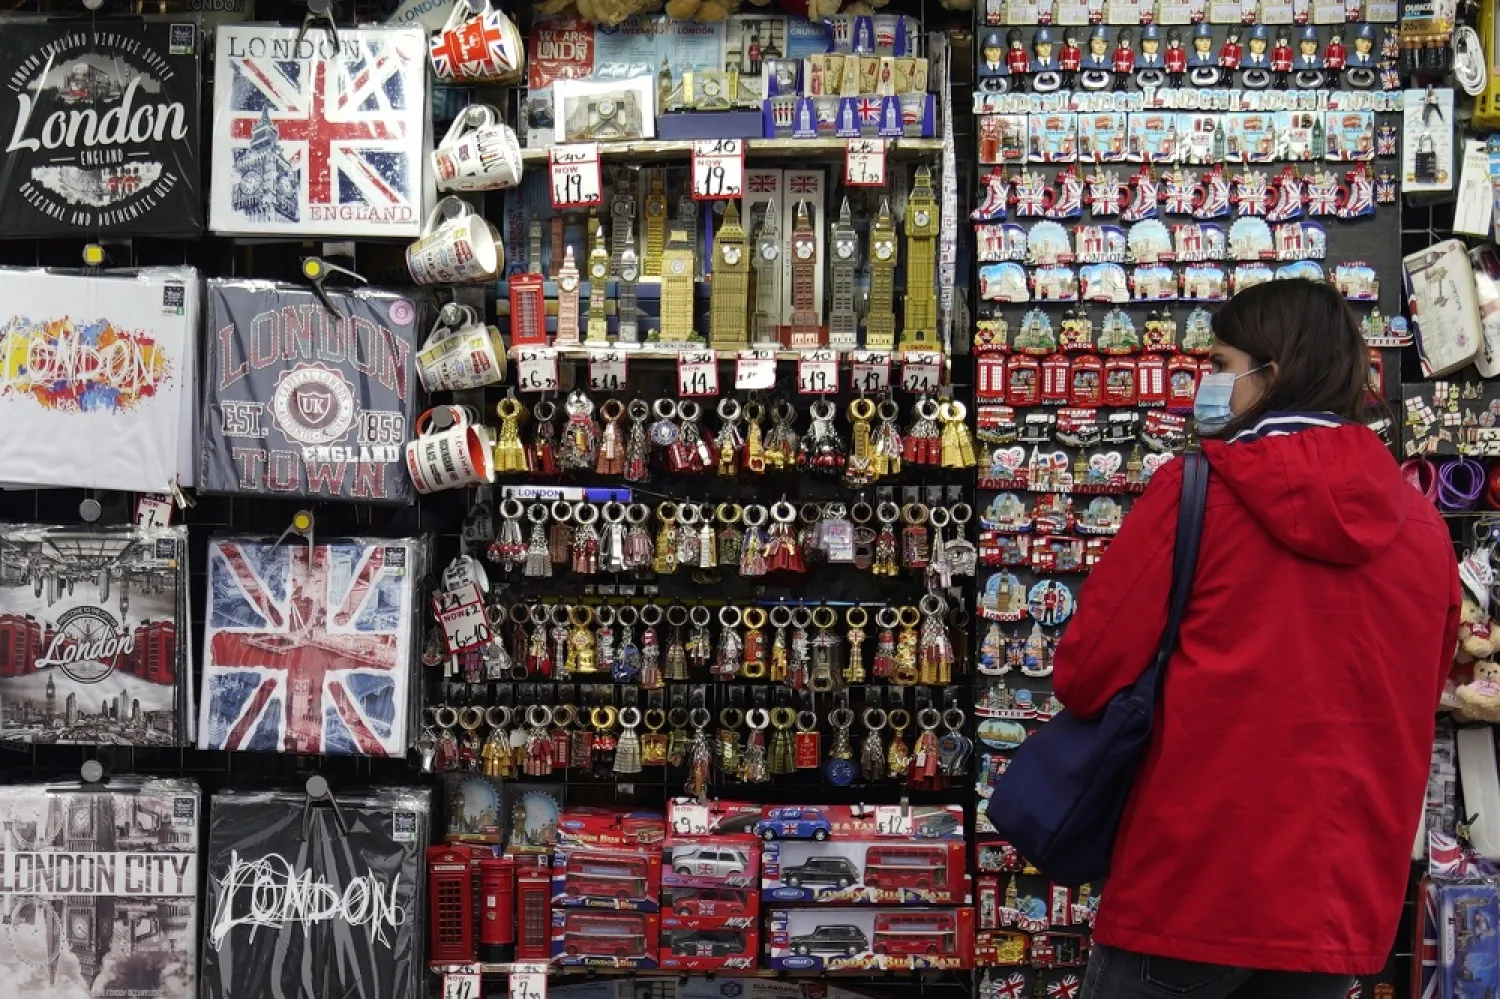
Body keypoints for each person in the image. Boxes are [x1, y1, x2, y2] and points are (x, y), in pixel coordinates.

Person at [1056, 279, 1460, 999]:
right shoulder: (1424, 531)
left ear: (1268, 376)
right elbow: (1417, 699)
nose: (1206, 382)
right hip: (1335, 906)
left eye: (1218, 363)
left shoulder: (1196, 493)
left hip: (1187, 889)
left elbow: (1085, 672)